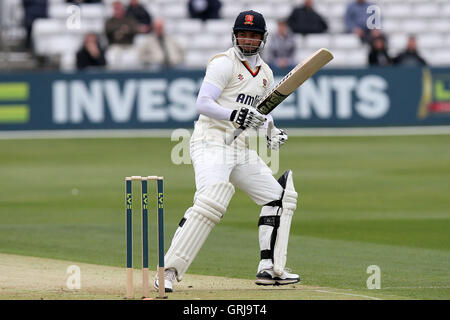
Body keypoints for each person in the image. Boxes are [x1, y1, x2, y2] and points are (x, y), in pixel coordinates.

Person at [154, 10, 300, 293]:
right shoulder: (223, 64)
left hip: (240, 147)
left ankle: (270, 268)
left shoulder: (266, 74)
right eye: (243, 34)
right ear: (234, 36)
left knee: (278, 198)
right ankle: (169, 270)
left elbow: (262, 114)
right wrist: (235, 115)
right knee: (212, 199)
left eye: (253, 35)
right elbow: (203, 103)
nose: (247, 40)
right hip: (210, 141)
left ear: (262, 39)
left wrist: (271, 132)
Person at [104, 1, 140, 69]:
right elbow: (107, 30)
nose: (117, 10)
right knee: (111, 56)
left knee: (132, 58)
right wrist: (122, 29)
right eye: (116, 8)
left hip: (129, 45)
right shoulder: (110, 21)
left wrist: (124, 31)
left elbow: (134, 29)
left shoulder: (129, 19)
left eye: (119, 8)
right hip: (115, 45)